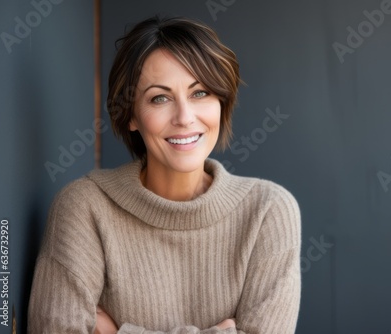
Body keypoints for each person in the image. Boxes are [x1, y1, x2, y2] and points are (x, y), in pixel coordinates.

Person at [28, 15, 301, 334]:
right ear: (130, 115)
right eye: (160, 98)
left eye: (200, 93)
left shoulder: (269, 211)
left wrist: (120, 333)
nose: (185, 117)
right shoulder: (84, 206)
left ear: (221, 101)